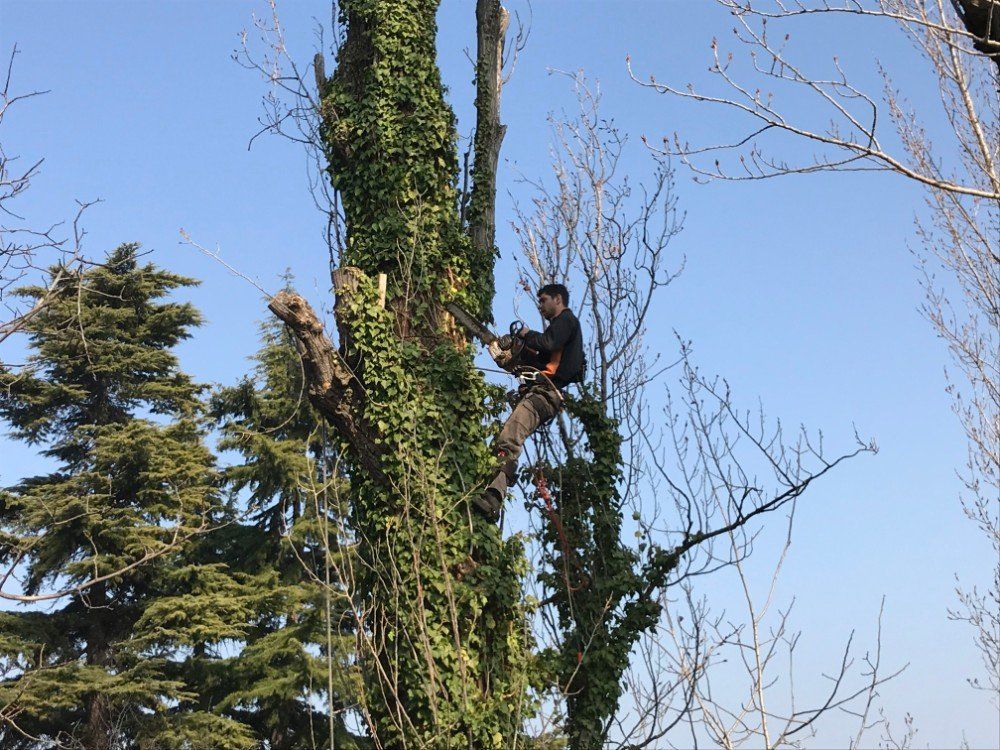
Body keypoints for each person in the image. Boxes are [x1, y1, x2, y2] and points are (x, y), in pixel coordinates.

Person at [474, 283, 585, 522]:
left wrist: (526, 334)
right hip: (539, 391)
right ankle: (490, 491)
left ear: (558, 299)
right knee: (505, 437)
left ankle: (494, 497)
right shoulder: (558, 332)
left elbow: (547, 343)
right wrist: (512, 356)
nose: (540, 305)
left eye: (544, 300)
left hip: (545, 395)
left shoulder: (566, 322)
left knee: (509, 437)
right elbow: (540, 359)